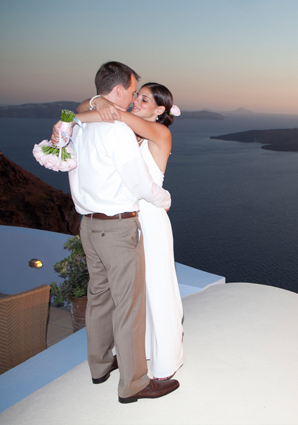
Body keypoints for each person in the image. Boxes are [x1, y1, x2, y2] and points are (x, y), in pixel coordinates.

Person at [66, 61, 179, 403]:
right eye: (135, 95)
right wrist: (97, 105)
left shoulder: (158, 133)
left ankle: (163, 360)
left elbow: (88, 115)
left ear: (160, 111)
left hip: (148, 221)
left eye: (144, 100)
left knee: (153, 292)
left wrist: (97, 104)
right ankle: (128, 362)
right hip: (123, 221)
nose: (135, 102)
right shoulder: (123, 130)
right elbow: (88, 114)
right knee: (125, 298)